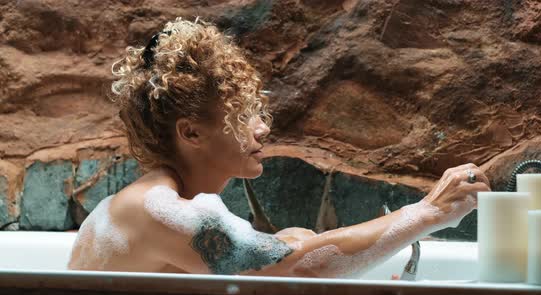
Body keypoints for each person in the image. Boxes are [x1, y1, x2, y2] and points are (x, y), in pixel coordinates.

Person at [67, 18, 491, 277]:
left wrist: (283, 245)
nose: (262, 128)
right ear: (192, 133)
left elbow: (278, 263)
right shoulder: (155, 209)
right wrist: (429, 212)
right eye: (242, 113)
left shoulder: (157, 205)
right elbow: (302, 266)